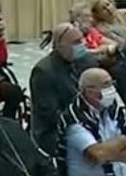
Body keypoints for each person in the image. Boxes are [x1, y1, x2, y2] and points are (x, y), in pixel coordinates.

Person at [59, 68, 126, 176]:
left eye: (112, 83)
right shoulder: (75, 119)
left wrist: (109, 154)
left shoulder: (115, 111)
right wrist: (123, 140)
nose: (112, 89)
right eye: (106, 85)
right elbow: (98, 155)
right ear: (89, 91)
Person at [30, 22, 93, 160]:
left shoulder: (84, 61)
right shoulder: (44, 72)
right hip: (54, 132)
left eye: (81, 40)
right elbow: (50, 114)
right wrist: (82, 124)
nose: (81, 45)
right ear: (59, 45)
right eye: (75, 42)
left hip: (84, 122)